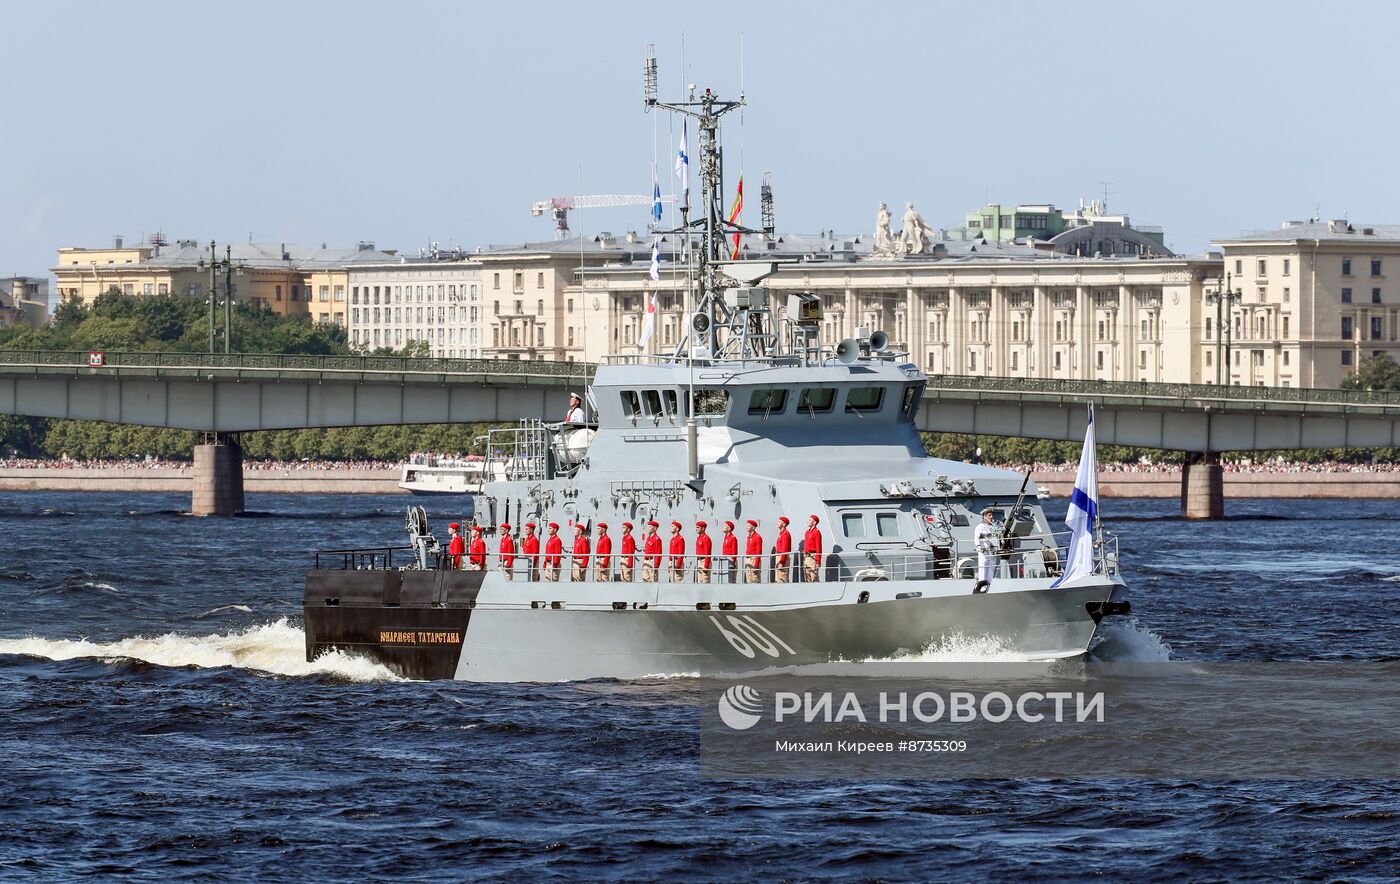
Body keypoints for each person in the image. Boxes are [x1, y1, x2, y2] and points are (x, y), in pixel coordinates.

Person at [973, 508, 1000, 593]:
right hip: (984, 553)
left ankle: (988, 589)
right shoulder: (980, 527)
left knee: (990, 573)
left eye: (992, 515)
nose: (991, 517)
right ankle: (981, 590)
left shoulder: (994, 527)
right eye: (989, 515)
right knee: (983, 573)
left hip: (992, 553)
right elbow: (976, 538)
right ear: (984, 517)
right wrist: (978, 546)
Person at [802, 515, 823, 583]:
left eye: (810, 520)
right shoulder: (807, 532)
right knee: (807, 576)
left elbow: (818, 547)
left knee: (814, 576)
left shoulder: (816, 532)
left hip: (813, 557)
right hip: (806, 557)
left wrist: (818, 561)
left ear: (814, 522)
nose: (808, 522)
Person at [773, 516, 793, 583]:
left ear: (784, 524)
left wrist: (782, 562)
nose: (777, 523)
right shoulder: (781, 534)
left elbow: (785, 549)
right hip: (779, 556)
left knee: (782, 578)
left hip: (782, 557)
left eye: (779, 522)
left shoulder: (785, 534)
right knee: (778, 578)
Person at [744, 519, 763, 584]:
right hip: (748, 560)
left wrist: (756, 565)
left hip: (753, 560)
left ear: (753, 527)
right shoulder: (749, 537)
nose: (746, 527)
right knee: (748, 580)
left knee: (755, 579)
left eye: (748, 525)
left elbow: (759, 552)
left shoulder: (757, 537)